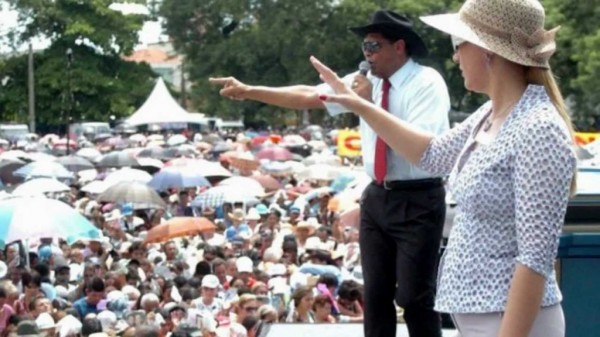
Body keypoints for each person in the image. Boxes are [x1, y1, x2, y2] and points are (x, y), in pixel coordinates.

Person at [308, 0, 577, 336]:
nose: (454, 57)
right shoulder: (491, 114)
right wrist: (361, 106)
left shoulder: (537, 128)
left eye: (458, 44)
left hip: (510, 322)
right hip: (489, 318)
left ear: (486, 50)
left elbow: (534, 260)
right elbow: (432, 154)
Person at [210, 9, 449, 337]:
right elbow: (309, 95)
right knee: (376, 295)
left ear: (400, 47)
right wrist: (251, 90)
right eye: (364, 46)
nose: (367, 54)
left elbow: (418, 148)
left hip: (419, 195)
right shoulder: (365, 83)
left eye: (374, 46)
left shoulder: (426, 83)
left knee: (413, 296)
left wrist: (367, 105)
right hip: (379, 194)